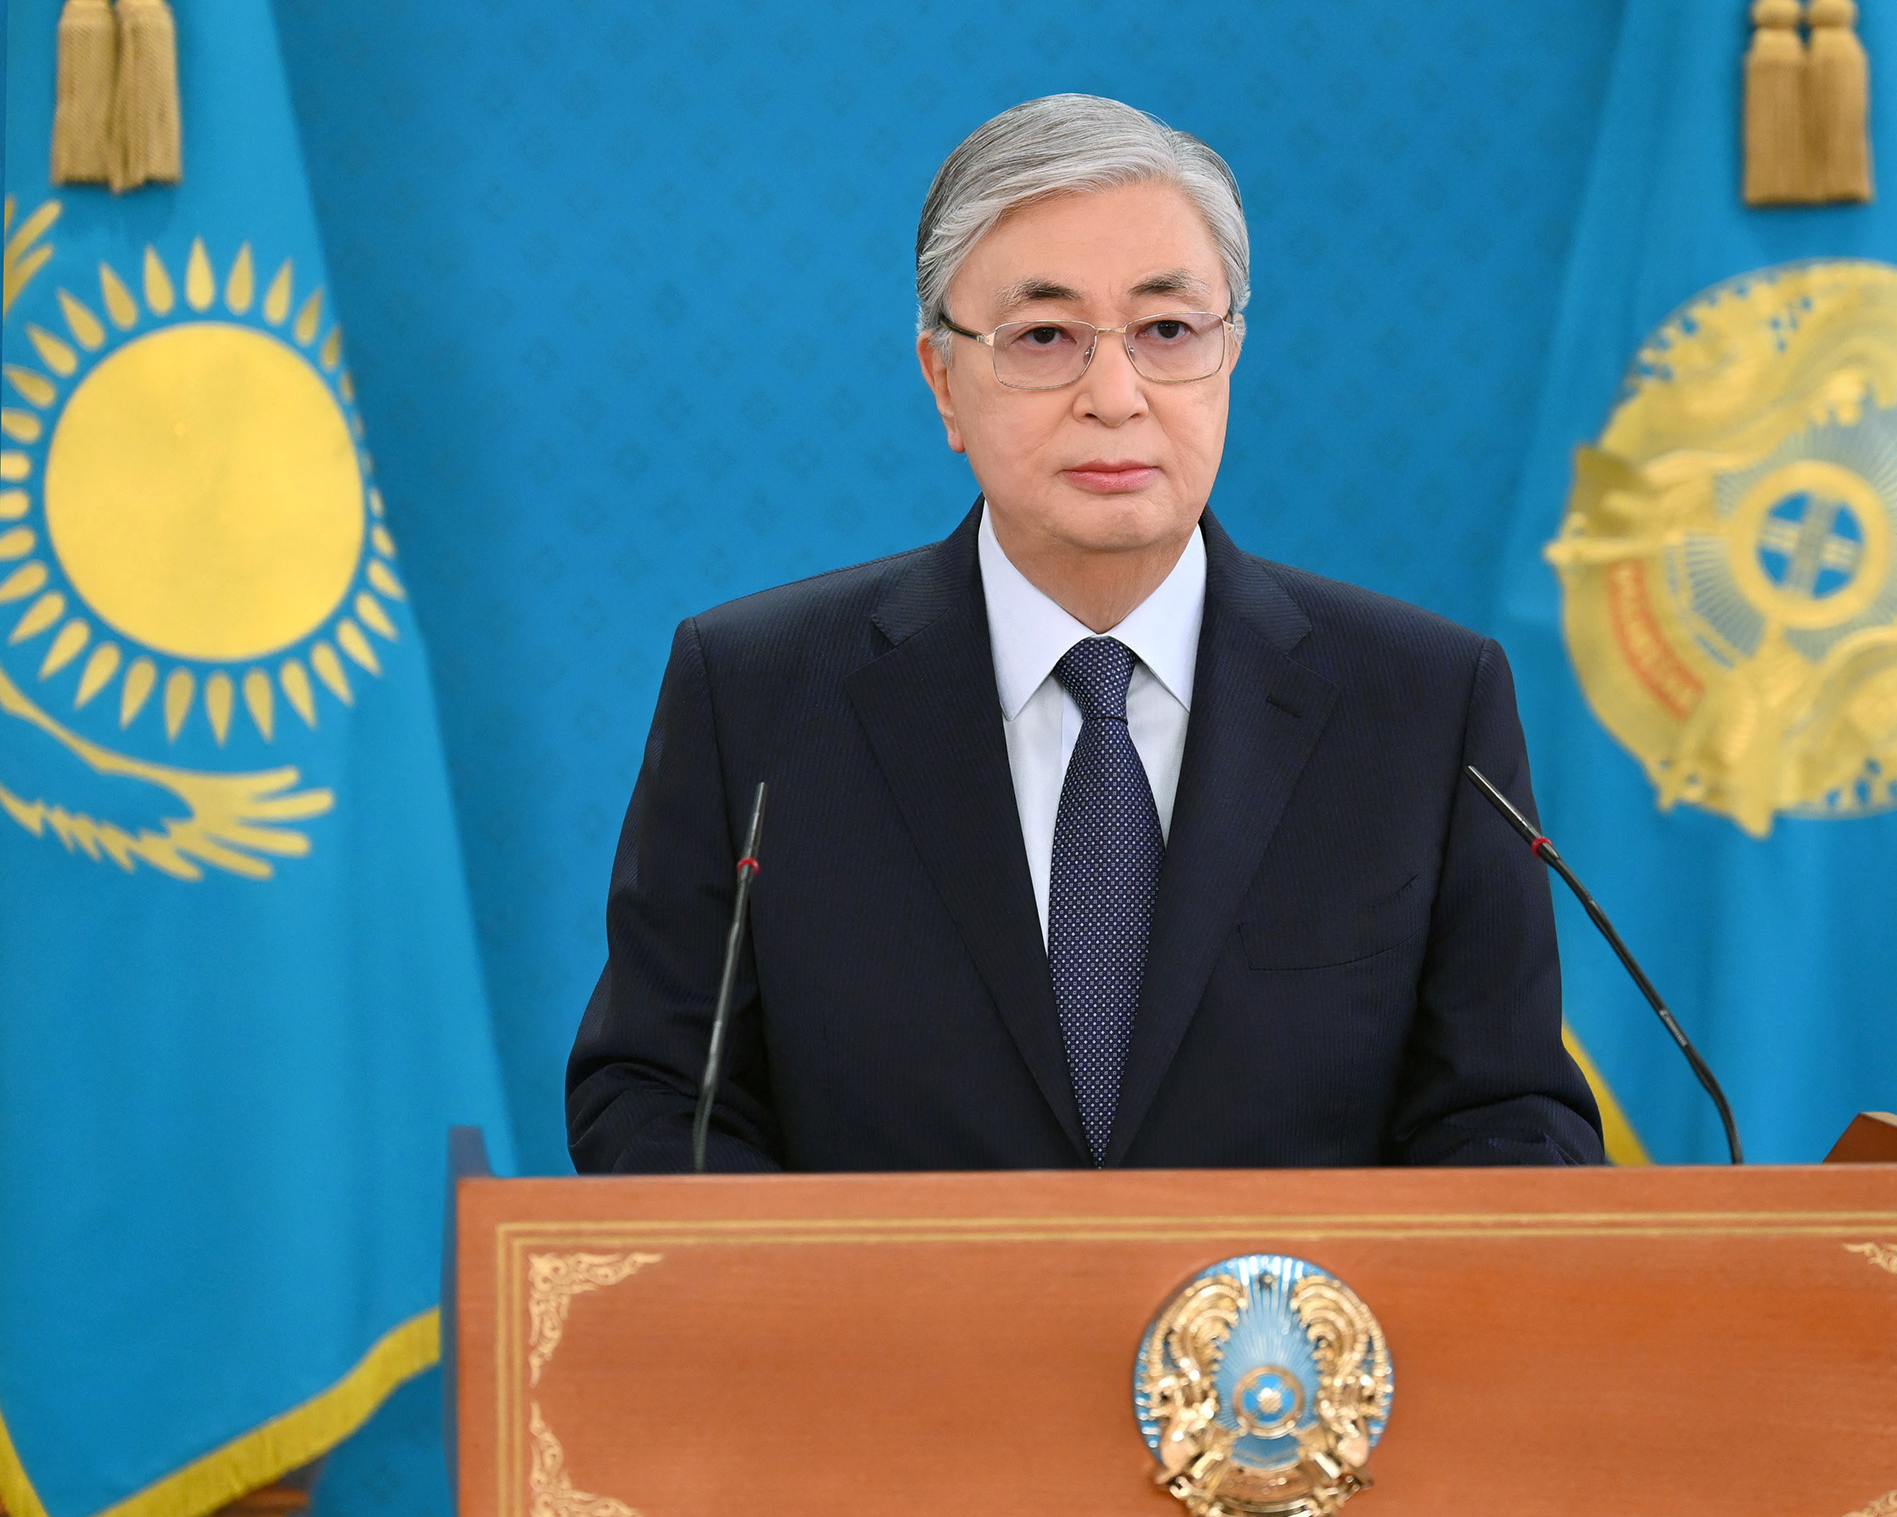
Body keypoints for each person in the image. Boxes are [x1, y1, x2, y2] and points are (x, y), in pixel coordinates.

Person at [569, 91, 1602, 1184]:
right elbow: (657, 1095)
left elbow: (1506, 1117)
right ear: (942, 381)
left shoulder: (1423, 704)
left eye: (1166, 331)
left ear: (1230, 353)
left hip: (1284, 1350)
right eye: (1045, 338)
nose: (1115, 396)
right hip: (895, 1348)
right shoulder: (757, 694)